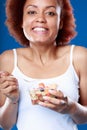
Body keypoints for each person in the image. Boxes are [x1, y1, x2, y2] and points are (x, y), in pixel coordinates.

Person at [0, 0, 87, 130]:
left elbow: (83, 119)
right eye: (32, 12)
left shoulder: (80, 57)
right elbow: (6, 124)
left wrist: (71, 107)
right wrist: (12, 99)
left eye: (50, 13)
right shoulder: (8, 59)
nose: (40, 19)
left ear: (60, 22)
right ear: (21, 21)